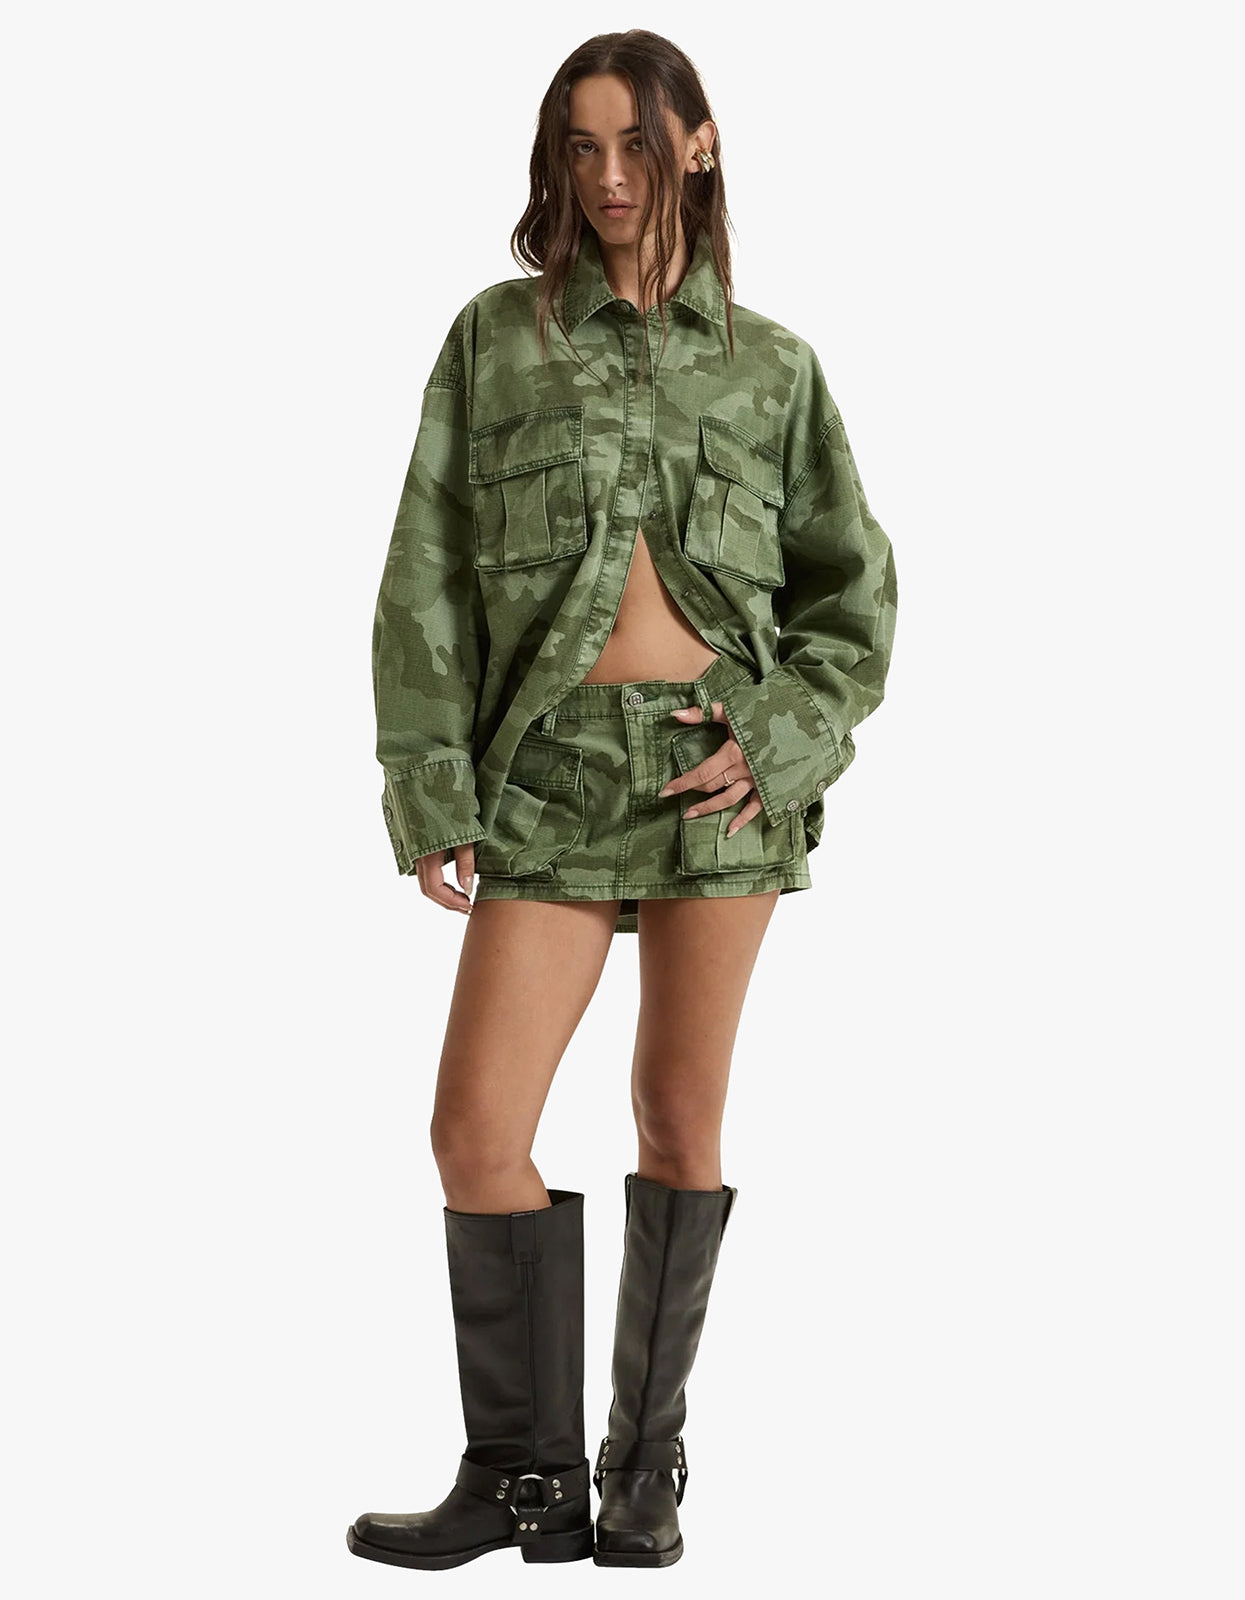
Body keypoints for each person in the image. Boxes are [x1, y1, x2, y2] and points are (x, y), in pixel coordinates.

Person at [347, 29, 898, 1572]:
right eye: (577, 146)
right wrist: (431, 779)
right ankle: (519, 1482)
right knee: (475, 1130)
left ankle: (639, 1475)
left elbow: (853, 600)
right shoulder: (495, 338)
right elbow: (424, 576)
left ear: (695, 145)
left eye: (635, 144)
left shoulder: (773, 365)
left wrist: (780, 741)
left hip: (717, 777)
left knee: (676, 1112)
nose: (606, 176)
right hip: (548, 772)